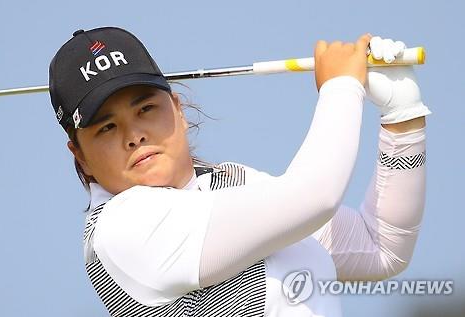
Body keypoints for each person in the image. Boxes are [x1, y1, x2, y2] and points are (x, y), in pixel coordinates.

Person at [48, 27, 431, 317]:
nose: (135, 135)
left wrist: (403, 117)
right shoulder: (120, 228)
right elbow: (314, 198)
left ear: (177, 108)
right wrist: (343, 87)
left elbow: (379, 249)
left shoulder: (232, 182)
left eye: (145, 108)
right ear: (78, 155)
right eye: (106, 127)